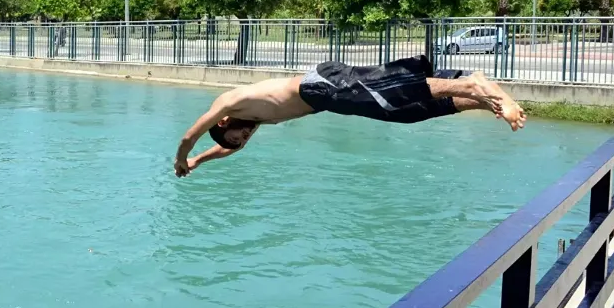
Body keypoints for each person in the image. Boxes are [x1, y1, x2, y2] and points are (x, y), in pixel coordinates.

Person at [173, 55, 526, 177]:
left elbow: (188, 136)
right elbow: (229, 149)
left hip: (322, 85)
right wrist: (203, 161)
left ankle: (475, 85)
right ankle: (479, 101)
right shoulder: (252, 120)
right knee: (402, 112)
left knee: (390, 89)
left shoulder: (228, 104)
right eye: (243, 141)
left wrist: (183, 159)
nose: (244, 139)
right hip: (330, 99)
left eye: (239, 136)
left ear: (223, 124)